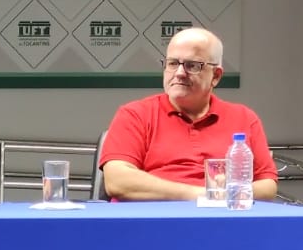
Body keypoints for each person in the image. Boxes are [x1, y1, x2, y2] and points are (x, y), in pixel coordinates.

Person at [98, 27, 278, 202]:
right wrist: (204, 195)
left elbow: (267, 186)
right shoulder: (135, 114)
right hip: (151, 222)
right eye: (173, 63)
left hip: (220, 222)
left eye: (192, 65)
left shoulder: (244, 118)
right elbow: (117, 182)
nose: (179, 73)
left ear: (216, 76)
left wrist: (230, 193)